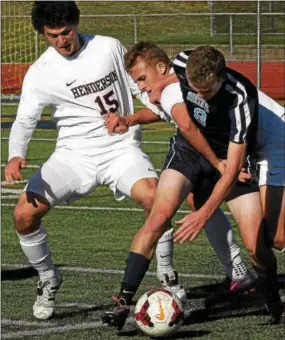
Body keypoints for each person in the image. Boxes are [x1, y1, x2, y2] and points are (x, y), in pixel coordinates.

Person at [4, 1, 188, 320]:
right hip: (73, 157)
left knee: (157, 199)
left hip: (121, 150)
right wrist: (15, 155)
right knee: (23, 214)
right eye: (52, 35)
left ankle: (167, 274)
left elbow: (140, 87)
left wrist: (165, 107)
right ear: (43, 35)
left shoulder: (108, 47)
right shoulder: (40, 72)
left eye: (66, 31)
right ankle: (48, 279)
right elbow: (24, 120)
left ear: (77, 24)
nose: (62, 40)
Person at [102, 43, 284, 329]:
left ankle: (271, 299)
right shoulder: (184, 65)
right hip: (190, 153)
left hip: (243, 152)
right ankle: (123, 302)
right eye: (195, 91)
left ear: (220, 80)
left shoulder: (240, 102)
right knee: (159, 216)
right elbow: (178, 119)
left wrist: (203, 213)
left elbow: (231, 166)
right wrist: (131, 118)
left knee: (266, 241)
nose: (200, 97)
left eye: (206, 92)